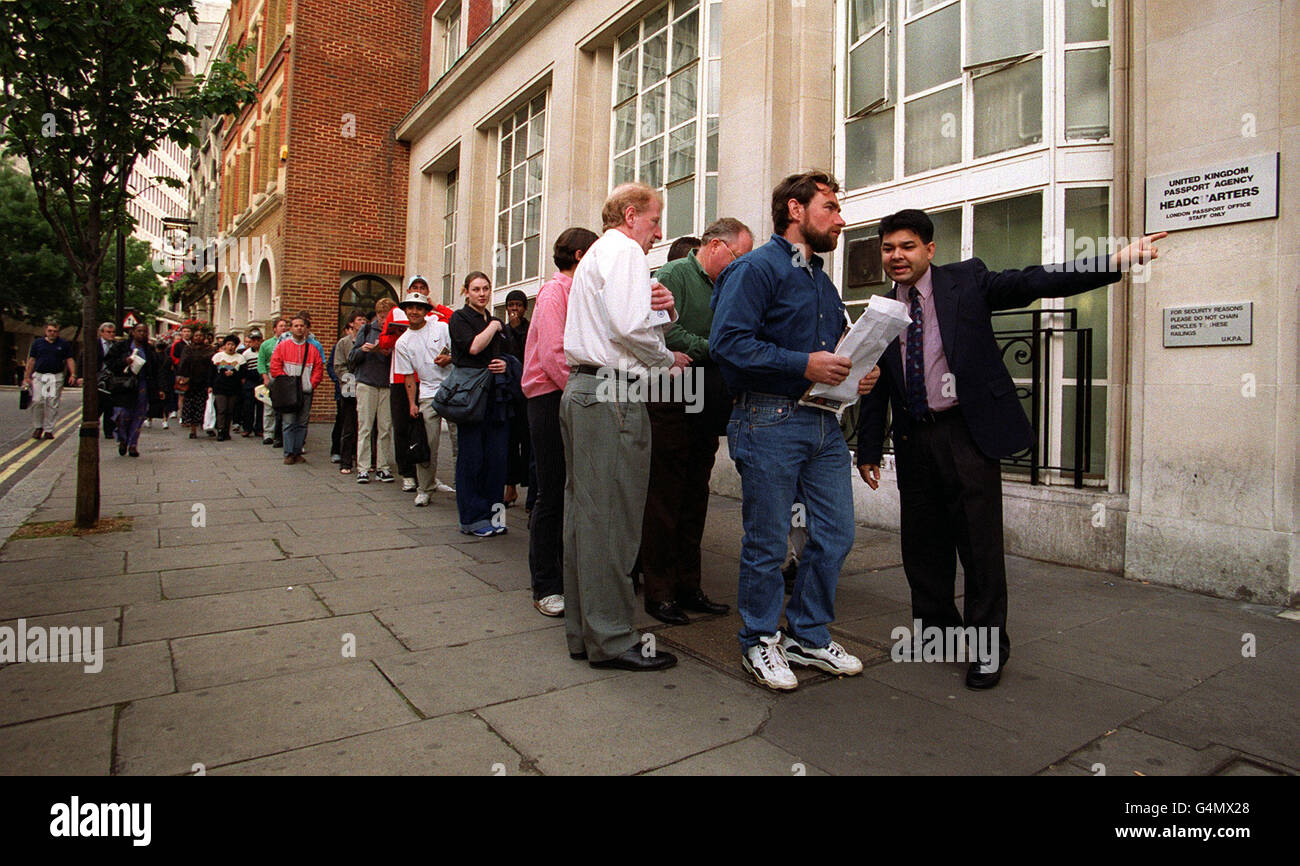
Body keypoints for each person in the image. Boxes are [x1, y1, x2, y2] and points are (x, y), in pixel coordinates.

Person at [856, 209, 1167, 690]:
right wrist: (870, 448)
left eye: (907, 246)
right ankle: (939, 634)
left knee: (978, 546)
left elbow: (1035, 280)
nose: (897, 256)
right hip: (915, 438)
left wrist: (1116, 261)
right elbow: (875, 382)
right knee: (923, 546)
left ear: (930, 250)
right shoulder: (882, 310)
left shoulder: (967, 281)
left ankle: (986, 650)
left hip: (966, 433)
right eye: (888, 248)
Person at [710, 170, 878, 691]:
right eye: (830, 207)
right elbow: (728, 344)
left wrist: (855, 373)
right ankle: (759, 640)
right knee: (767, 541)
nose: (841, 219)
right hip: (768, 419)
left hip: (824, 422)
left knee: (834, 535)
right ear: (796, 211)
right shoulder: (755, 269)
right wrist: (804, 364)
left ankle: (807, 634)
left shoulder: (821, 280)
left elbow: (831, 353)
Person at [561, 182, 686, 672]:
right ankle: (612, 637)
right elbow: (633, 330)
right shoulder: (626, 251)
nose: (658, 233)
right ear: (631, 215)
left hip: (585, 391)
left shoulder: (597, 255)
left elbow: (629, 320)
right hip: (613, 395)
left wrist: (667, 311)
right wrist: (666, 357)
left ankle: (585, 632)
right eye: (655, 221)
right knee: (613, 522)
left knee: (585, 520)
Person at [640, 217, 754, 626]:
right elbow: (667, 334)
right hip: (671, 396)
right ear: (715, 245)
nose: (741, 265)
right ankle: (659, 592)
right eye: (738, 256)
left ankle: (689, 586)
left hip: (708, 397)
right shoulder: (673, 274)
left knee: (695, 497)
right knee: (665, 498)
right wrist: (716, 348)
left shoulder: (728, 283)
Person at [522, 226, 599, 618]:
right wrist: (585, 395)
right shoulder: (555, 293)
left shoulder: (581, 292)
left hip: (571, 395)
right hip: (551, 398)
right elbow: (555, 355)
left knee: (571, 491)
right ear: (581, 256)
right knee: (551, 492)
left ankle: (567, 575)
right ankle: (545, 584)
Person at [448, 272, 514, 536]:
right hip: (471, 399)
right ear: (466, 291)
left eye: (486, 288)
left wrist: (506, 364)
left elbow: (510, 354)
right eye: (476, 289)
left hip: (496, 398)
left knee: (497, 460)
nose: (482, 293)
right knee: (472, 459)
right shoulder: (459, 318)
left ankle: (495, 517)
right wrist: (495, 327)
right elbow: (474, 347)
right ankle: (472, 519)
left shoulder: (494, 320)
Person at [393, 290, 456, 506]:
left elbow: (459, 352)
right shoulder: (403, 342)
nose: (414, 311)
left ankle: (464, 486)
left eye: (419, 307)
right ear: (405, 311)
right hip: (428, 393)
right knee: (427, 443)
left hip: (451, 389)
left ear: (425, 310)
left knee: (460, 441)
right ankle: (425, 488)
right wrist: (412, 403)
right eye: (410, 307)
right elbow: (408, 376)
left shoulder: (441, 327)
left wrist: (449, 359)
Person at [351, 298, 397, 484]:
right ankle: (363, 468)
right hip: (367, 383)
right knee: (365, 427)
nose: (384, 321)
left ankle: (383, 467)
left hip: (386, 384)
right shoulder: (367, 330)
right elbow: (352, 357)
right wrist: (364, 349)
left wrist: (389, 352)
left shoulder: (396, 331)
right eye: (381, 316)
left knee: (385, 428)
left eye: (387, 317)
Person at [269, 311, 324, 464]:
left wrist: (311, 384)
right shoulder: (283, 347)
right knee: (288, 423)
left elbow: (318, 369)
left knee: (302, 423)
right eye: (296, 326)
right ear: (291, 329)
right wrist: (285, 382)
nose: (299, 328)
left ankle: (297, 451)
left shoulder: (312, 349)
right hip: (288, 392)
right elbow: (275, 366)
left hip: (305, 391)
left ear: (306, 329)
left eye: (302, 326)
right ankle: (288, 453)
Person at [104, 322, 166, 457]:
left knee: (138, 416)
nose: (142, 334)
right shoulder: (121, 347)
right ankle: (122, 439)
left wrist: (160, 388)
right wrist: (124, 362)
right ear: (132, 332)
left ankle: (133, 444)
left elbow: (157, 370)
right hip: (124, 386)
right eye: (139, 331)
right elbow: (109, 363)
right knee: (122, 415)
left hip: (142, 386)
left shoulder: (149, 350)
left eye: (144, 332)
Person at [381, 281, 417, 490]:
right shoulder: (395, 312)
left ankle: (423, 469)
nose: (417, 292)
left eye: (422, 289)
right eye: (414, 288)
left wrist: (436, 306)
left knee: (421, 428)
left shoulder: (430, 315)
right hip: (399, 378)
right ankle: (407, 473)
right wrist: (396, 334)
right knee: (401, 426)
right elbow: (383, 342)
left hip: (423, 378)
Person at [501, 288, 533, 510]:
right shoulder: (502, 332)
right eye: (511, 305)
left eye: (518, 305)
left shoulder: (530, 329)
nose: (514, 309)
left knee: (530, 444)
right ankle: (510, 487)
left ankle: (532, 493)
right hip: (510, 395)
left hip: (529, 394)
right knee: (510, 443)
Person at [22, 322, 79, 440]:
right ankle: (38, 427)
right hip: (39, 376)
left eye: (55, 331)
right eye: (50, 331)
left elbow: (69, 359)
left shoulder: (63, 344)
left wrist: (73, 374)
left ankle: (49, 429)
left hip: (55, 377)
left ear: (58, 332)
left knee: (52, 403)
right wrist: (26, 376)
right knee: (38, 401)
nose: (52, 333)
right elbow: (31, 360)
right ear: (45, 331)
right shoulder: (37, 343)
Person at [331, 312, 365, 474]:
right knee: (348, 425)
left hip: (366, 386)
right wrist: (350, 379)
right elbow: (338, 366)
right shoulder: (343, 343)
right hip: (349, 387)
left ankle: (365, 460)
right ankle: (345, 461)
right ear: (351, 324)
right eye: (359, 320)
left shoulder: (368, 341)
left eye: (364, 319)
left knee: (365, 426)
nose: (363, 322)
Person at [258, 317, 290, 447]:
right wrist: (265, 377)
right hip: (271, 375)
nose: (284, 328)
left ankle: (282, 433)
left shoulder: (289, 343)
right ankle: (268, 433)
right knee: (269, 405)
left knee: (284, 406)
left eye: (285, 326)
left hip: (285, 375)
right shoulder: (266, 344)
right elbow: (261, 362)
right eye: (281, 326)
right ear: (274, 329)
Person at [177, 330, 215, 439]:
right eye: (196, 335)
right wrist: (182, 377)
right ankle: (193, 429)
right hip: (191, 381)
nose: (198, 338)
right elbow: (182, 363)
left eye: (201, 335)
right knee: (192, 405)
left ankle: (207, 426)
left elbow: (212, 364)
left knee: (205, 406)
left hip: (204, 381)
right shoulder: (188, 349)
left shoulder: (209, 349)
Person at [210, 334, 243, 441]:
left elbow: (243, 374)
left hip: (233, 388)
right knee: (221, 409)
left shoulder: (240, 358)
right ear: (224, 345)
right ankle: (220, 430)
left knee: (230, 410)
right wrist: (210, 386)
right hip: (220, 387)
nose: (230, 347)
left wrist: (233, 373)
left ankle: (226, 431)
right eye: (228, 344)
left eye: (233, 345)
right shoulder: (217, 357)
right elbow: (211, 373)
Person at [239, 329, 264, 438]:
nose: (256, 342)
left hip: (261, 381)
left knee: (261, 406)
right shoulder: (246, 354)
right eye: (253, 340)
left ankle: (259, 428)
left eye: (258, 340)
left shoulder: (264, 352)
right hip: (250, 381)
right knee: (248, 407)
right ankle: (247, 428)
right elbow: (243, 369)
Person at [96, 322, 117, 439]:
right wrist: (80, 376)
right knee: (97, 405)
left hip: (111, 379)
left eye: (113, 332)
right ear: (101, 332)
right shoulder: (95, 344)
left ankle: (109, 431)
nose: (111, 334)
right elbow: (83, 359)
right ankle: (94, 427)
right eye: (108, 332)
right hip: (97, 377)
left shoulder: (116, 345)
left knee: (110, 405)